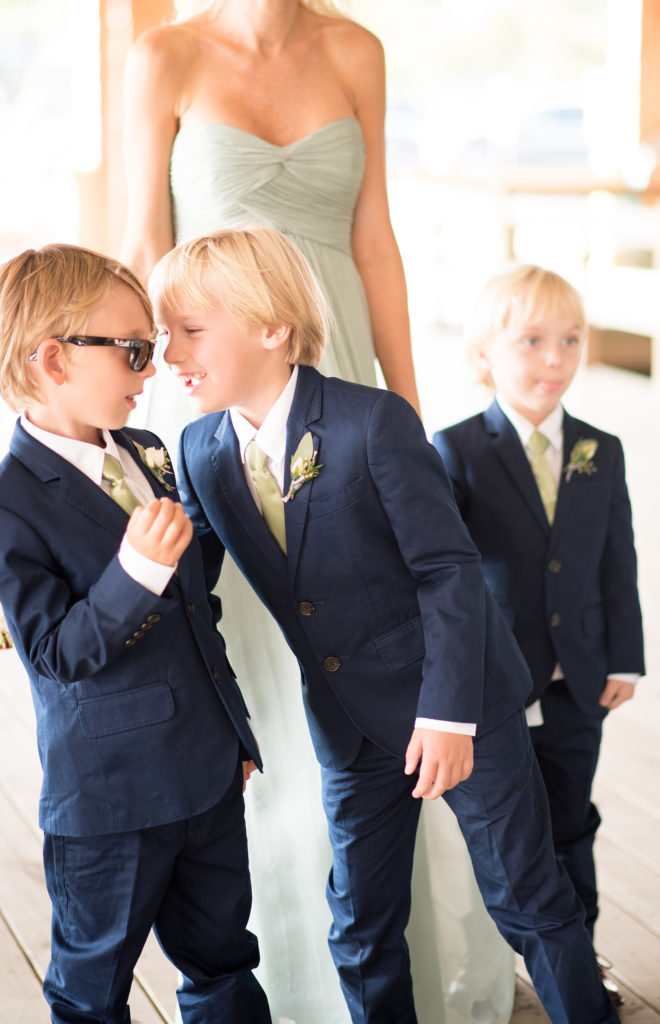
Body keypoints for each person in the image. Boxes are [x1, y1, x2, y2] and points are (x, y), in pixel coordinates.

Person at [122, 3, 514, 1020]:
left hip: (336, 371)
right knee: (261, 680)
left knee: (375, 672)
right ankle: (288, 983)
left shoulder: (355, 48)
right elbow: (140, 241)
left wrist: (412, 416)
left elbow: (374, 240)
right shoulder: (161, 54)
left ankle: (388, 976)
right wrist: (122, 423)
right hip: (215, 391)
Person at [151, 226, 622, 1024]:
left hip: (462, 698)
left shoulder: (374, 423)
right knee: (362, 924)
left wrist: (448, 716)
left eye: (190, 331)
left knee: (530, 899)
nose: (169, 354)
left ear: (273, 328)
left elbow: (448, 570)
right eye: (163, 335)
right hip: (348, 725)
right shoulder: (199, 449)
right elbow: (188, 588)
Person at [0, 244, 271, 1024]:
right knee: (91, 990)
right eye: (135, 350)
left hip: (206, 772)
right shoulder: (1, 505)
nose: (151, 370)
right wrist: (134, 568)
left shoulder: (145, 451)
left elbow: (189, 603)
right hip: (108, 797)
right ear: (52, 359)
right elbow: (56, 652)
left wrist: (230, 728)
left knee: (223, 960)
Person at [432, 265, 645, 1007]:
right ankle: (512, 965)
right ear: (485, 352)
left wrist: (625, 656)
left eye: (571, 340)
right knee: (512, 837)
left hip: (580, 678)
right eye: (531, 341)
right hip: (499, 682)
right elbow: (444, 576)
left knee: (573, 822)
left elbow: (618, 558)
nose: (555, 359)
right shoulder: (455, 448)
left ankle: (579, 965)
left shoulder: (600, 449)